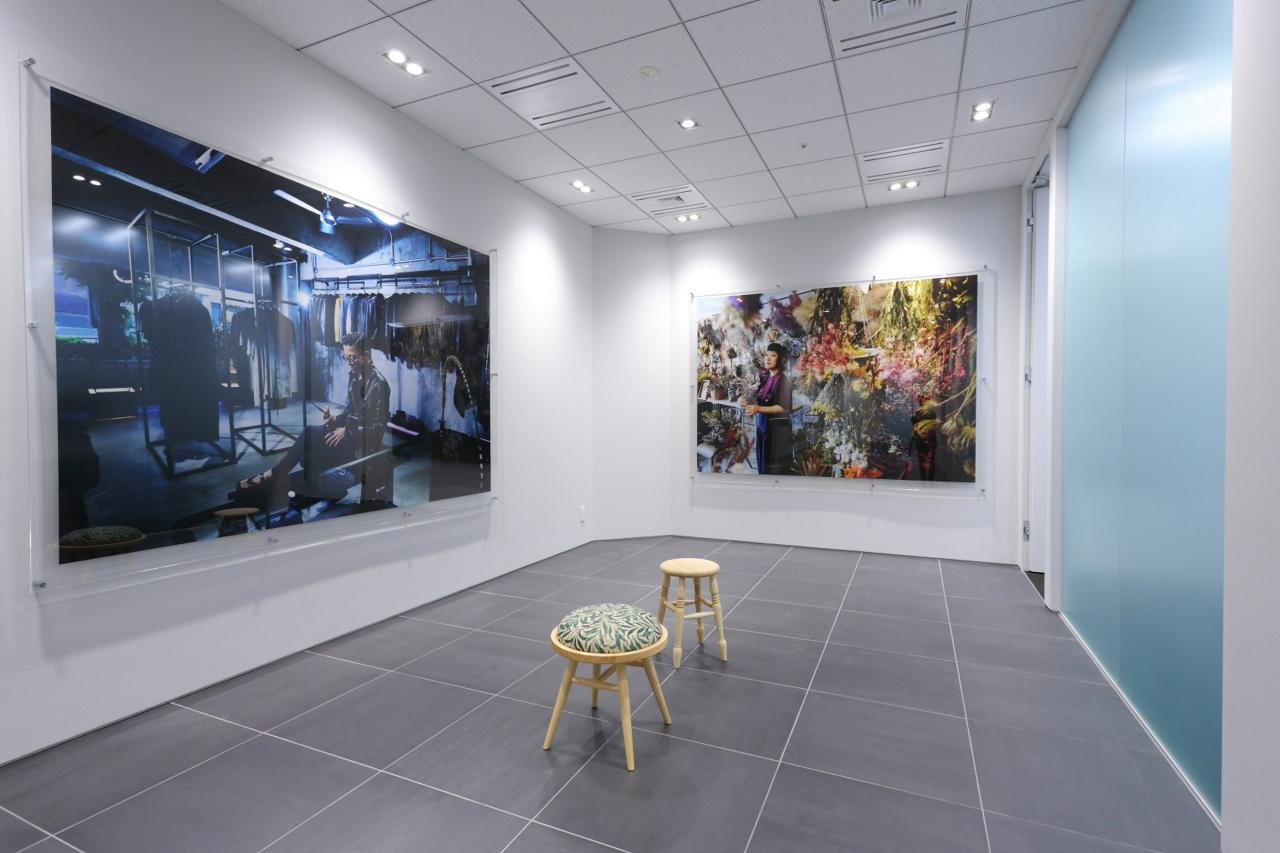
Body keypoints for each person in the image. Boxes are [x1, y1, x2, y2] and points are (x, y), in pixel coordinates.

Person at [238, 333, 389, 502]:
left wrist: (347, 432)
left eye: (353, 358)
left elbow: (378, 429)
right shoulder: (354, 376)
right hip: (349, 439)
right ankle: (326, 490)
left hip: (361, 448)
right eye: (346, 357)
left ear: (366, 356)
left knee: (310, 437)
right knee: (306, 455)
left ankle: (272, 474)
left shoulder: (379, 385)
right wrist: (334, 420)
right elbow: (349, 412)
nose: (349, 362)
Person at [740, 342, 793, 475]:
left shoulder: (782, 380)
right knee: (763, 466)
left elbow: (784, 408)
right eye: (766, 355)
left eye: (773, 355)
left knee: (773, 470)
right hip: (763, 428)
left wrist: (758, 409)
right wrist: (743, 399)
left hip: (776, 433)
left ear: (781, 359)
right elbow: (757, 397)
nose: (768, 358)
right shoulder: (765, 378)